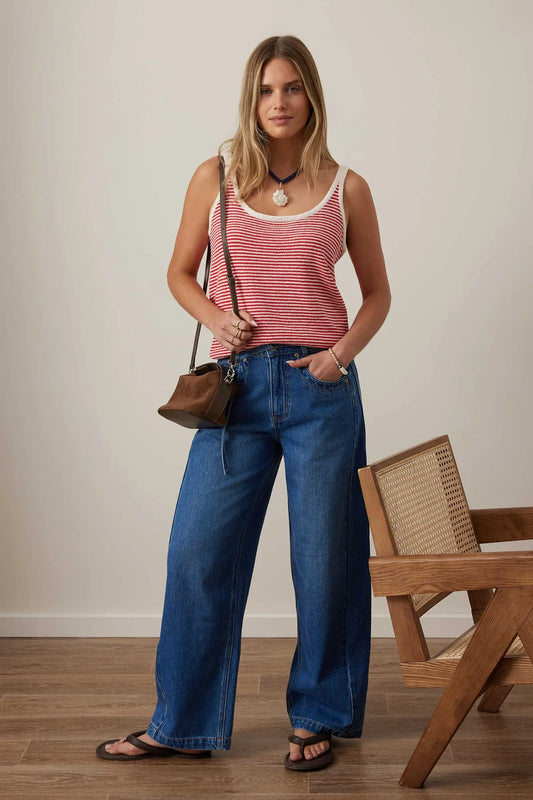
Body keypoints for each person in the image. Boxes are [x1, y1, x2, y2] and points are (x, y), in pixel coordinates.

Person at [96, 34, 391, 771]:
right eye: (264, 90)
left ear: (310, 95)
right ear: (249, 99)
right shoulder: (217, 175)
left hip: (322, 390)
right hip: (237, 390)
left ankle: (319, 714)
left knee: (324, 560)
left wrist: (338, 357)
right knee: (198, 551)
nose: (278, 102)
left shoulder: (346, 187)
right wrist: (214, 317)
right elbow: (179, 271)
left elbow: (378, 295)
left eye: (290, 88)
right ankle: (181, 723)